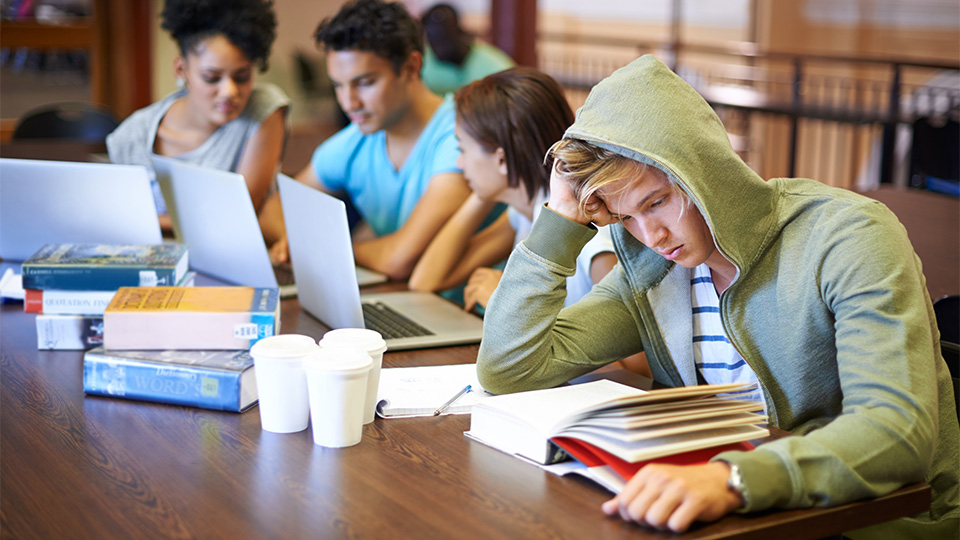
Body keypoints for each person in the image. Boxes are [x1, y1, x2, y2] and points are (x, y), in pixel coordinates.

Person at [476, 55, 959, 537]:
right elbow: (510, 367)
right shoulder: (654, 270)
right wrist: (561, 215)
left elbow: (897, 433)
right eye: (626, 218)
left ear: (704, 169)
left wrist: (731, 479)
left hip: (878, 522)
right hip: (744, 516)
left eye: (657, 202)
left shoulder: (848, 235)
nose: (652, 235)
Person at [262, 0, 471, 281]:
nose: (349, 102)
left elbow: (401, 258)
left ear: (411, 67)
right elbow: (274, 208)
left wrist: (322, 248)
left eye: (364, 83)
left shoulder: (461, 138)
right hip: (404, 300)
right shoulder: (357, 139)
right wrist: (292, 239)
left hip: (470, 313)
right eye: (338, 85)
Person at [408, 67, 616, 312]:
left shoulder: (592, 230)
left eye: (462, 149)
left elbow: (631, 349)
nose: (459, 164)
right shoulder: (525, 210)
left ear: (501, 159)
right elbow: (425, 281)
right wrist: (486, 189)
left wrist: (508, 303)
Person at [107, 0, 289, 233]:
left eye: (242, 77)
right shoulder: (132, 136)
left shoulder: (261, 111)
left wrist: (152, 220)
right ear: (181, 70)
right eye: (212, 77)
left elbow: (240, 212)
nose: (229, 92)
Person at [419, 3, 514, 97]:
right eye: (434, 41)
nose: (439, 47)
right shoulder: (421, 65)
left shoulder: (495, 65)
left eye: (444, 37)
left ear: (460, 32)